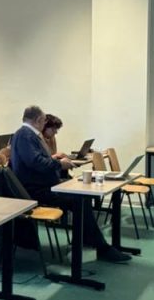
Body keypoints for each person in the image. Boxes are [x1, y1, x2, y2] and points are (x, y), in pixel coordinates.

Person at [10, 106, 129, 263]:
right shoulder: (25, 135)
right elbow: (35, 162)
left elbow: (37, 160)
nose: (44, 124)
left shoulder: (28, 135)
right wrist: (59, 164)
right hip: (36, 190)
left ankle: (88, 240)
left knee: (82, 196)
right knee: (79, 198)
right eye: (44, 121)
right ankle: (100, 247)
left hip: (44, 185)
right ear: (38, 120)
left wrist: (56, 162)